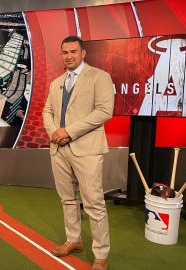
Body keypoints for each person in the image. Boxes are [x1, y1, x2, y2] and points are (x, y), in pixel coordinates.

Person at [42, 36, 114, 270]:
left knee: (94, 204)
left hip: (87, 150)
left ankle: (101, 255)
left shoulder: (99, 77)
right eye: (65, 52)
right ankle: (74, 240)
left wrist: (68, 132)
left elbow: (104, 111)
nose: (69, 56)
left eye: (74, 51)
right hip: (59, 148)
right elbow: (47, 112)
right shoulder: (56, 82)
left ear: (83, 53)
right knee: (67, 199)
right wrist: (55, 132)